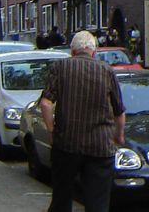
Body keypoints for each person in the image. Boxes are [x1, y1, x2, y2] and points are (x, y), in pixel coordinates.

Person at [39, 30, 125, 212]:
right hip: (100, 147)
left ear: (72, 51)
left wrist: (51, 130)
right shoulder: (107, 71)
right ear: (94, 52)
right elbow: (119, 111)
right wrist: (119, 136)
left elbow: (46, 104)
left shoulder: (60, 68)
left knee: (61, 199)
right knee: (98, 203)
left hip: (67, 144)